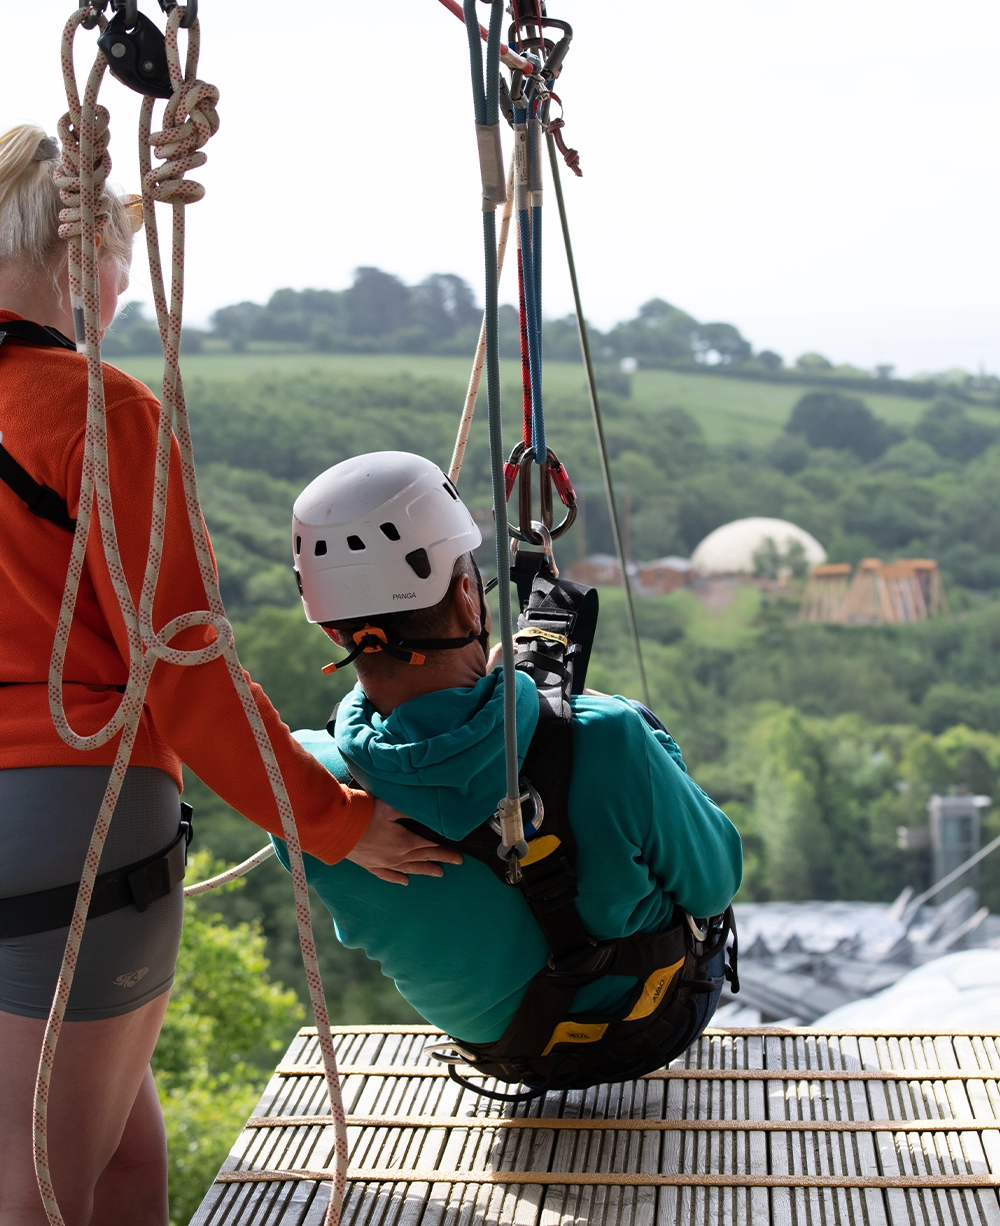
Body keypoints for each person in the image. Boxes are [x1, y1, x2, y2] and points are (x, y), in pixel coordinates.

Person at [0, 126, 456, 1226]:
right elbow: (184, 668)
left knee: (118, 1170)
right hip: (68, 819)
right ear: (88, 253)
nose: (120, 291)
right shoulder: (93, 410)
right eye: (119, 265)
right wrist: (335, 820)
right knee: (41, 1190)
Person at [274, 450, 743, 1089]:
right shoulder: (606, 735)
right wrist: (600, 722)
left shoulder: (298, 788)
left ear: (334, 632)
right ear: (469, 597)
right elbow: (715, 882)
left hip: (507, 1051)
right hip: (652, 1019)